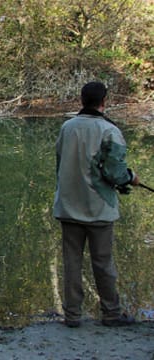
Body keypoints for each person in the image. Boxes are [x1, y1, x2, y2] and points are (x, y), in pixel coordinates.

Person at [52, 81, 140, 328]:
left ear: (82, 100)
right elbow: (115, 173)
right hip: (99, 209)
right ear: (104, 102)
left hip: (68, 206)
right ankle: (111, 314)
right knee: (102, 263)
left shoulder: (67, 127)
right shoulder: (109, 131)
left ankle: (72, 316)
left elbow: (59, 166)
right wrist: (131, 178)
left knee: (72, 263)